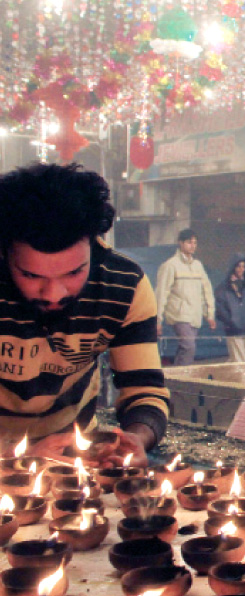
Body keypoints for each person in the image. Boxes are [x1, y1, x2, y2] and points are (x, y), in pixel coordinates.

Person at [0, 163, 169, 467]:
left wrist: (135, 439)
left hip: (73, 457)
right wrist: (16, 458)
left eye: (74, 272)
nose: (54, 294)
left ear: (94, 247)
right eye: (30, 274)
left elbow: (145, 391)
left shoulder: (123, 285)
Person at [155, 229, 216, 366]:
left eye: (195, 242)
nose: (193, 245)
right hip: (179, 315)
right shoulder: (170, 265)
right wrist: (158, 319)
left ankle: (177, 380)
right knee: (189, 346)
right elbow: (161, 293)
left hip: (195, 316)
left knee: (186, 348)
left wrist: (209, 314)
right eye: (189, 242)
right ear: (180, 243)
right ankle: (183, 380)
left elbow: (206, 291)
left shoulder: (198, 266)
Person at [215, 254, 245, 362]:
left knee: (244, 359)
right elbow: (219, 308)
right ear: (233, 267)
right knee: (238, 360)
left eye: (243, 266)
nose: (241, 269)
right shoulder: (224, 287)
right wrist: (231, 321)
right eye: (238, 266)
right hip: (234, 330)